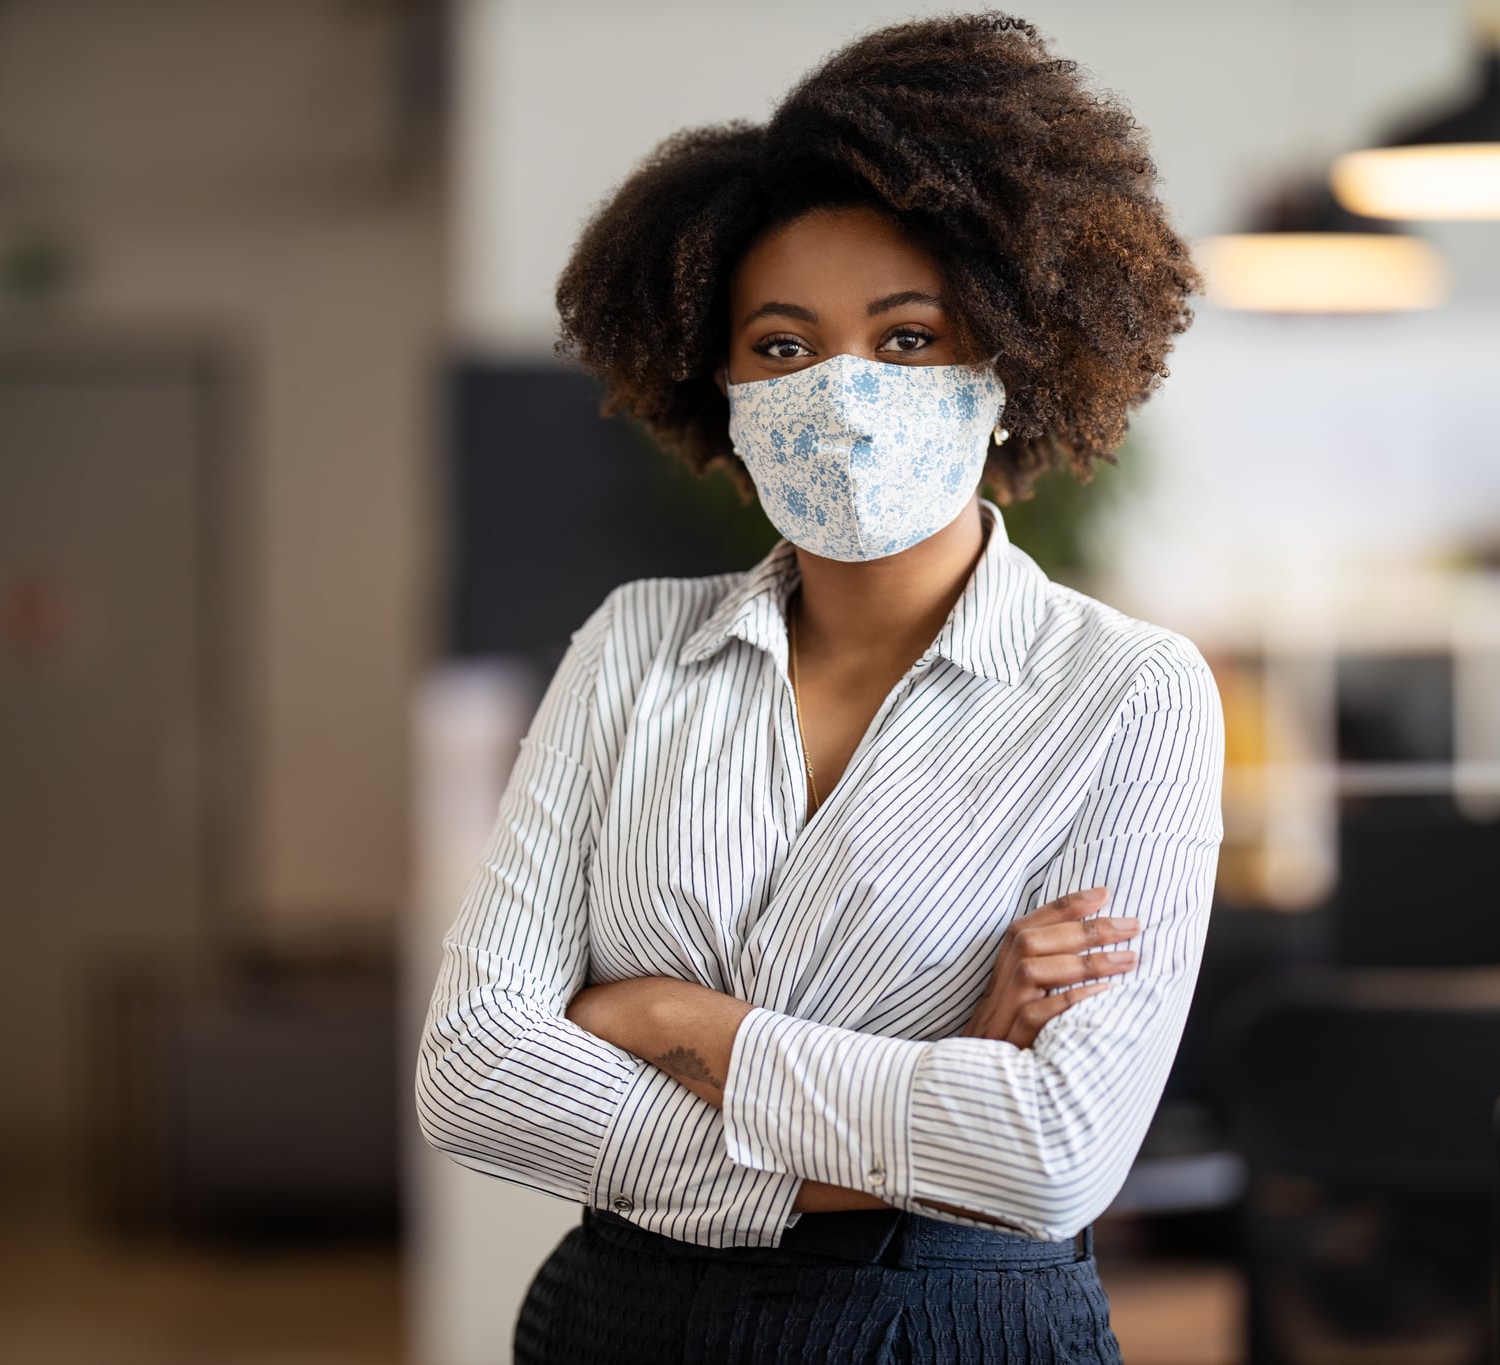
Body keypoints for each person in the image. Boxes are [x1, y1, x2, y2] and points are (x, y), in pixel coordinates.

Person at [413, 12, 1222, 1362]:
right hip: (616, 1321)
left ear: (1007, 366)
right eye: (783, 347)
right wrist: (926, 1098)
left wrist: (673, 1020)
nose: (843, 393)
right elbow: (475, 1074)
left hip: (959, 1329)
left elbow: (1055, 1152)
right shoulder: (631, 647)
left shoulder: (1131, 695)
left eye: (908, 338)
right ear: (717, 386)